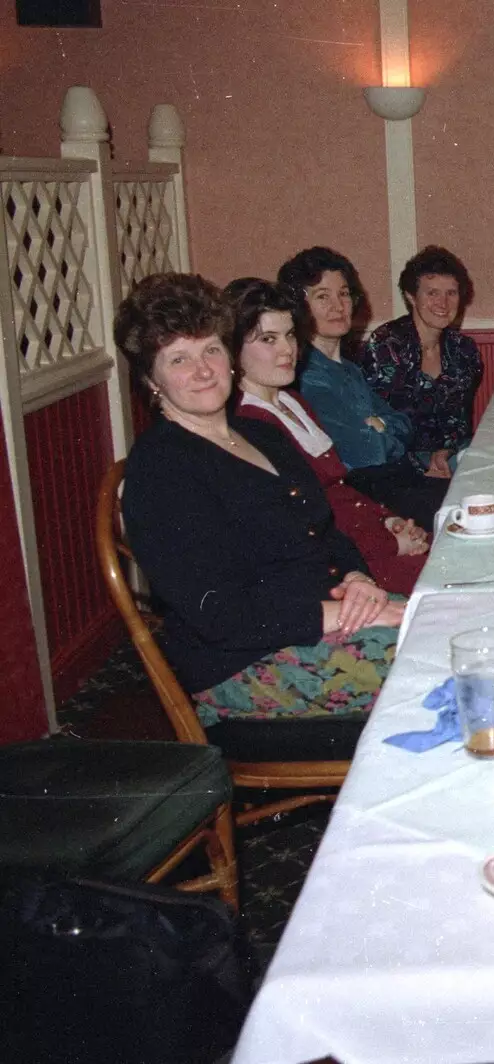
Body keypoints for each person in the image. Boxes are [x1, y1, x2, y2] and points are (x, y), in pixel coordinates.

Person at [115, 274, 404, 757]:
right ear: (152, 381)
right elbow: (222, 615)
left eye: (210, 350)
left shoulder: (259, 434)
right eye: (179, 359)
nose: (203, 370)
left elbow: (323, 529)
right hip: (244, 667)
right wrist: (339, 614)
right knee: (447, 664)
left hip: (322, 618)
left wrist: (357, 579)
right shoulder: (162, 470)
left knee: (455, 630)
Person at [225, 277, 429, 594]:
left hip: (365, 539)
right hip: (340, 570)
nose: (287, 350)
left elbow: (339, 490)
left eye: (290, 335)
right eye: (268, 339)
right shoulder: (249, 421)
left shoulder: (291, 400)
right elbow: (305, 524)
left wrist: (390, 521)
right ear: (233, 347)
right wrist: (387, 542)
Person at [278, 246, 448, 526]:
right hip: (366, 497)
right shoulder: (307, 377)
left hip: (396, 481)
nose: (338, 306)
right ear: (299, 305)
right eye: (323, 296)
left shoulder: (348, 368)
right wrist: (382, 426)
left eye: (343, 293)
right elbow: (369, 452)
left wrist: (379, 425)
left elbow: (404, 426)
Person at [360, 245, 483, 478]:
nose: (443, 303)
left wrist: (445, 451)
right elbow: (378, 426)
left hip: (450, 456)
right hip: (397, 462)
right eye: (432, 293)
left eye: (451, 293)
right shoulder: (387, 345)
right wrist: (423, 464)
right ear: (411, 296)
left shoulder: (464, 350)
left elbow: (460, 421)